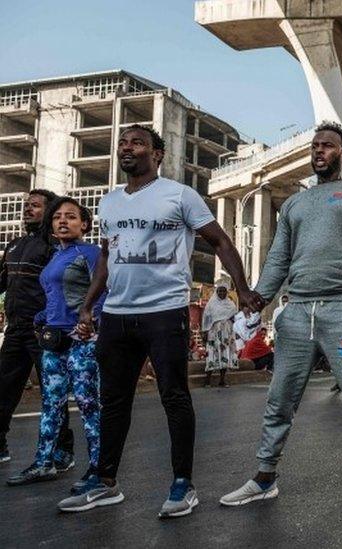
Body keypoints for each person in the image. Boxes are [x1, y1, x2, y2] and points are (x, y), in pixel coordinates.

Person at [59, 124, 260, 517]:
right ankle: (105, 481)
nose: (127, 148)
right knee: (113, 402)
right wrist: (88, 305)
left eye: (137, 142)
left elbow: (220, 241)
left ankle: (183, 485)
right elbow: (106, 256)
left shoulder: (180, 195)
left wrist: (243, 288)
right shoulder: (111, 202)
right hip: (117, 315)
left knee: (174, 396)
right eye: (123, 143)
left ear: (158, 154)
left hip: (164, 312)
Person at [219, 121, 342, 519]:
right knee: (279, 400)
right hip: (297, 313)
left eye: (328, 146)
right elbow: (278, 259)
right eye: (315, 145)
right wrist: (258, 297)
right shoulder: (293, 204)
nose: (319, 150)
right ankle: (264, 478)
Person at [6, 198, 104, 490]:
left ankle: (99, 468)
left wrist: (90, 324)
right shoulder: (54, 257)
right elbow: (53, 298)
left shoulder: (92, 253)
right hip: (53, 342)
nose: (63, 221)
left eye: (71, 217)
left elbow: (104, 295)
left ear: (84, 224)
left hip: (81, 342)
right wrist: (40, 319)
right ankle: (43, 463)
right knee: (51, 405)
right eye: (58, 217)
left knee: (88, 405)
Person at [0, 189, 74, 466]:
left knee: (52, 392)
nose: (27, 209)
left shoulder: (56, 248)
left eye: (34, 206)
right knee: (3, 388)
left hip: (45, 332)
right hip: (15, 331)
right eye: (26, 205)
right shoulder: (14, 245)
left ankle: (62, 451)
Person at [200, 282, 238, 388]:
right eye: (219, 291)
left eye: (223, 291)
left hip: (226, 333)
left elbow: (235, 318)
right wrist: (205, 332)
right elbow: (206, 319)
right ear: (216, 292)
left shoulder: (231, 304)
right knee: (211, 354)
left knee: (225, 354)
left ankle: (222, 380)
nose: (222, 293)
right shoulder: (211, 304)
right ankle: (207, 381)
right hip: (213, 333)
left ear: (227, 292)